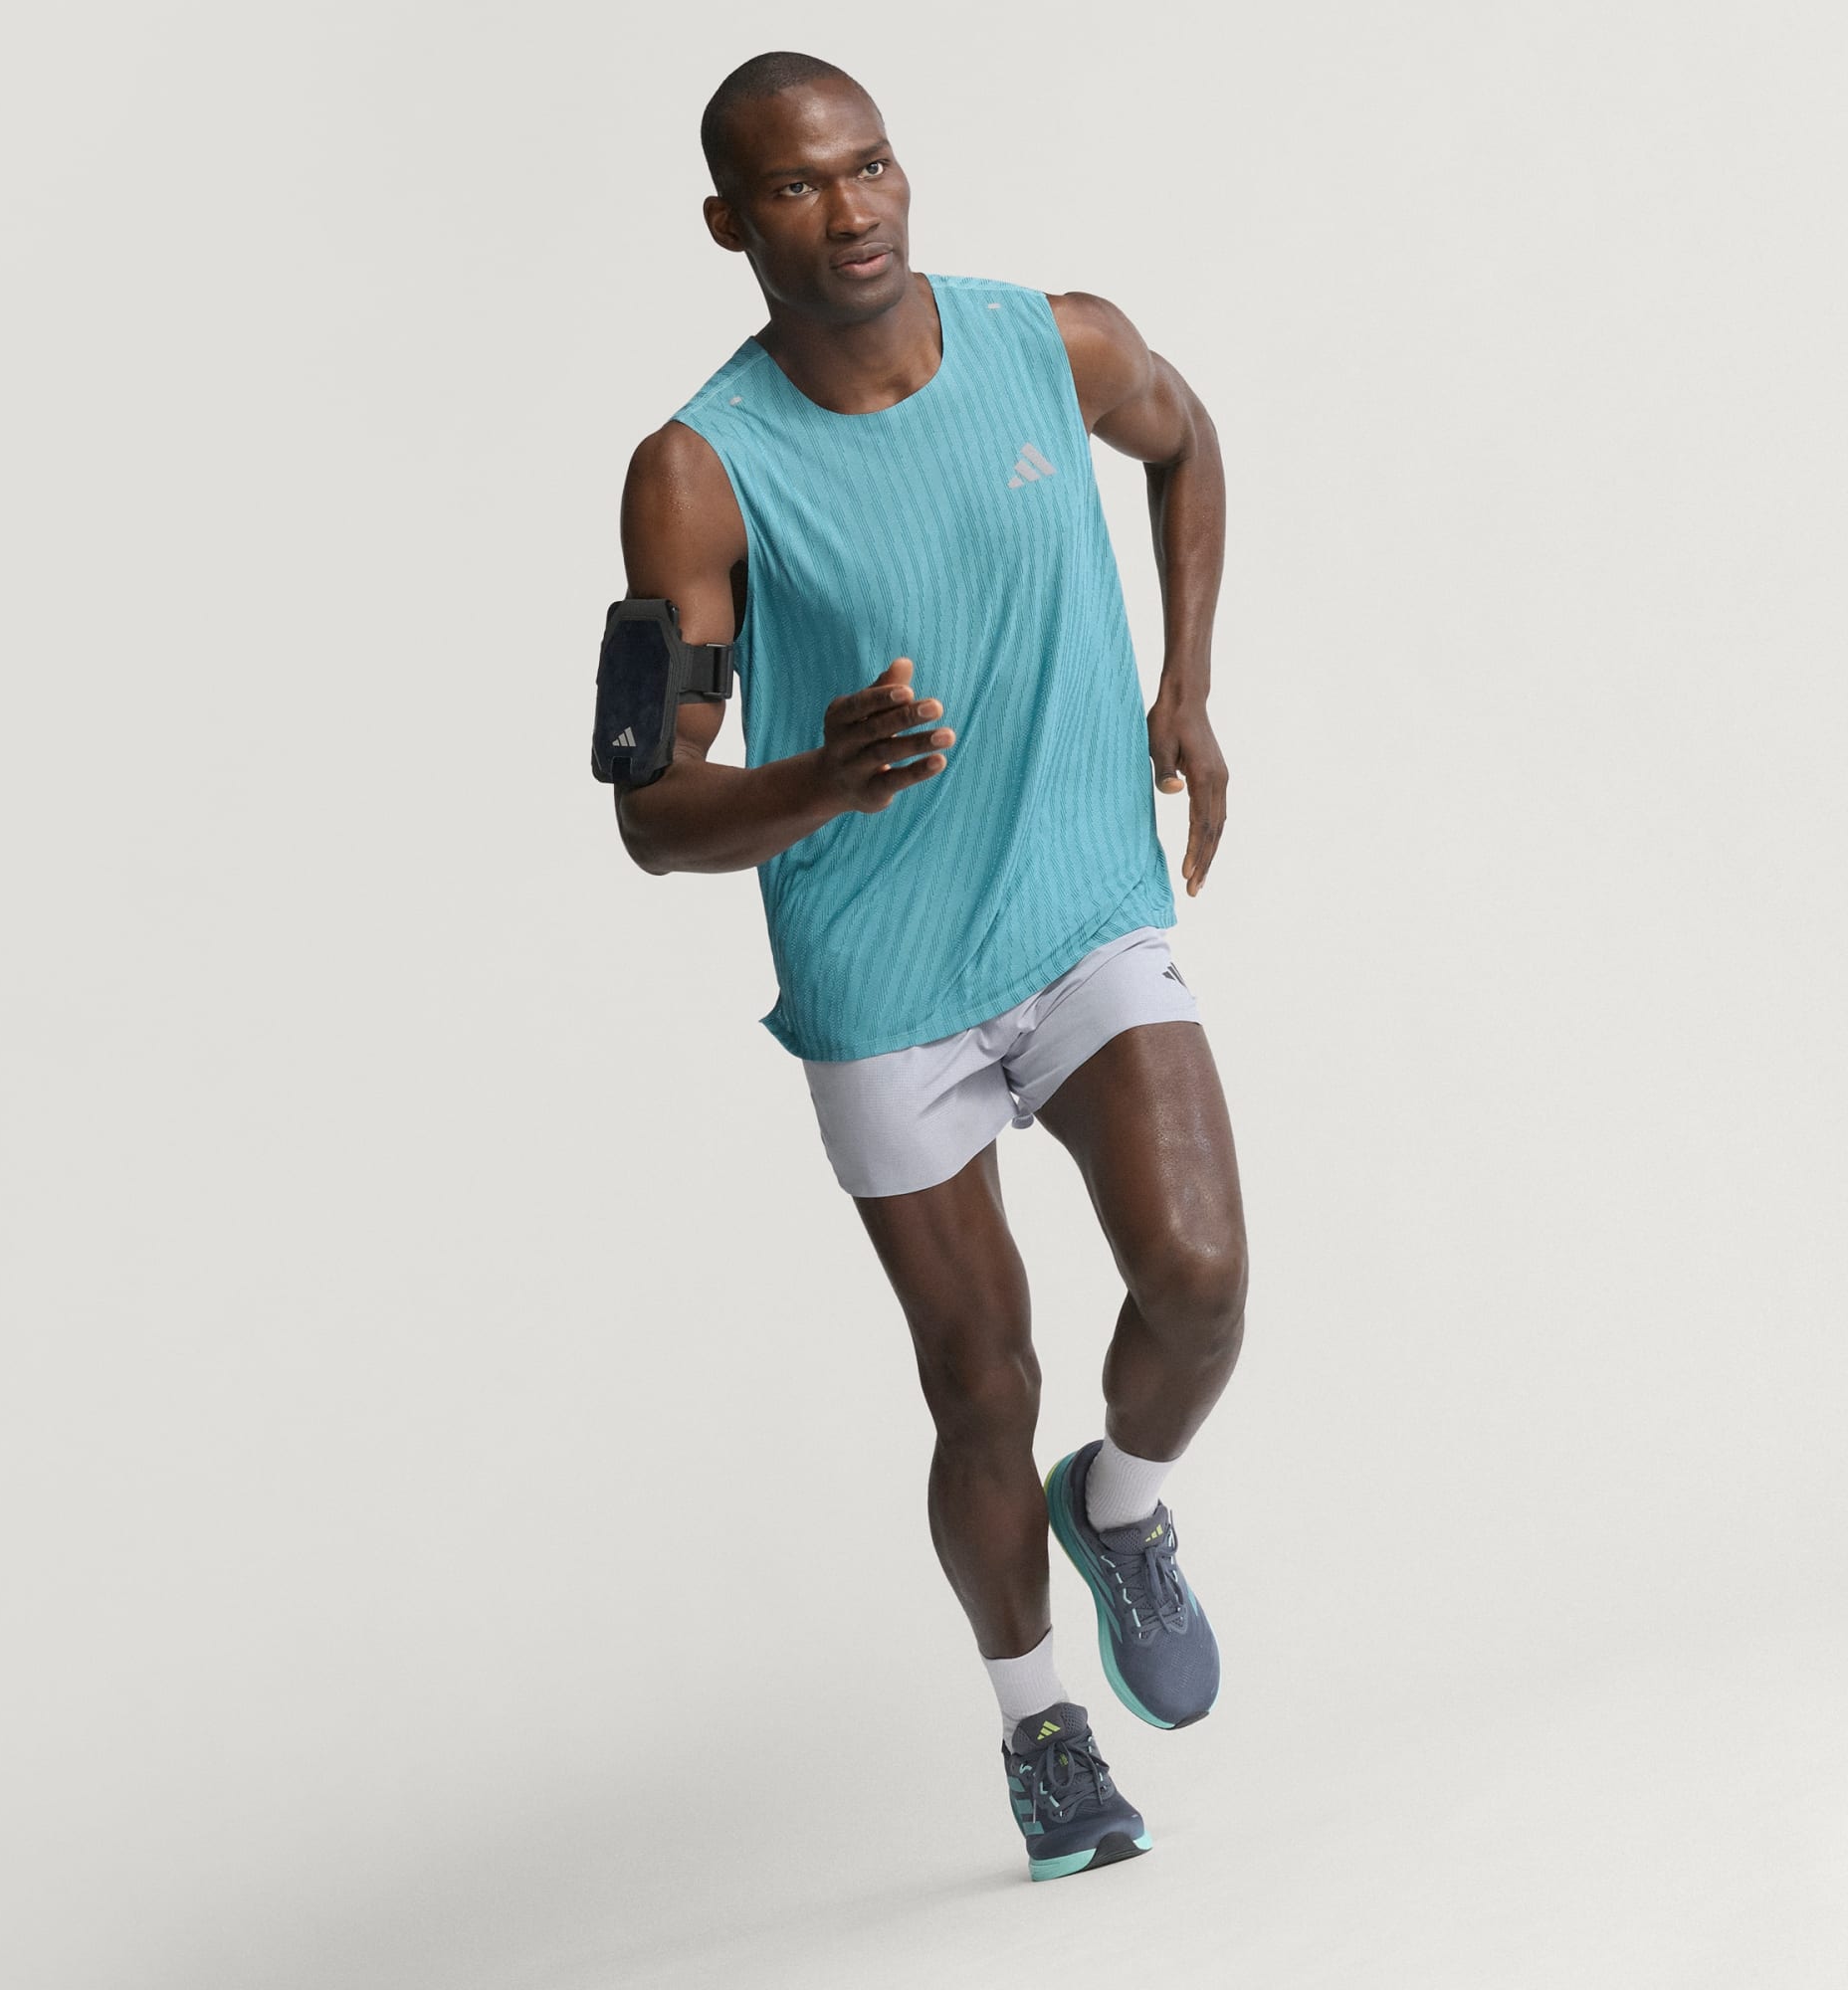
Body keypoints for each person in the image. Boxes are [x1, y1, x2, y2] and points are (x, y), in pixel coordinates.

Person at [609, 50, 1248, 1884]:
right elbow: (655, 814)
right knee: (982, 1381)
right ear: (730, 224)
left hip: (1079, 900)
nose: (853, 210)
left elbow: (1188, 439)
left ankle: (1122, 1510)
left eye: (871, 165)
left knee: (1200, 1281)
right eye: (798, 187)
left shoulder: (1057, 343)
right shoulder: (697, 474)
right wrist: (823, 777)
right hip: (882, 978)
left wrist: (1186, 686)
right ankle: (1041, 1726)